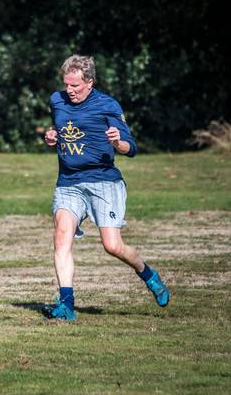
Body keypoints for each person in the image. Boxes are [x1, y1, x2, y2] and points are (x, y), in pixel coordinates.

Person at [43, 55, 170, 321]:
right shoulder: (57, 100)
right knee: (61, 236)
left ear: (89, 82)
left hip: (103, 181)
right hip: (69, 181)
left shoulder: (107, 105)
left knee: (112, 246)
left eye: (75, 86)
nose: (70, 90)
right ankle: (66, 305)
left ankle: (148, 274)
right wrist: (52, 135)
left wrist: (117, 143)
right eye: (67, 85)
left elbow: (131, 148)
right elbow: (61, 129)